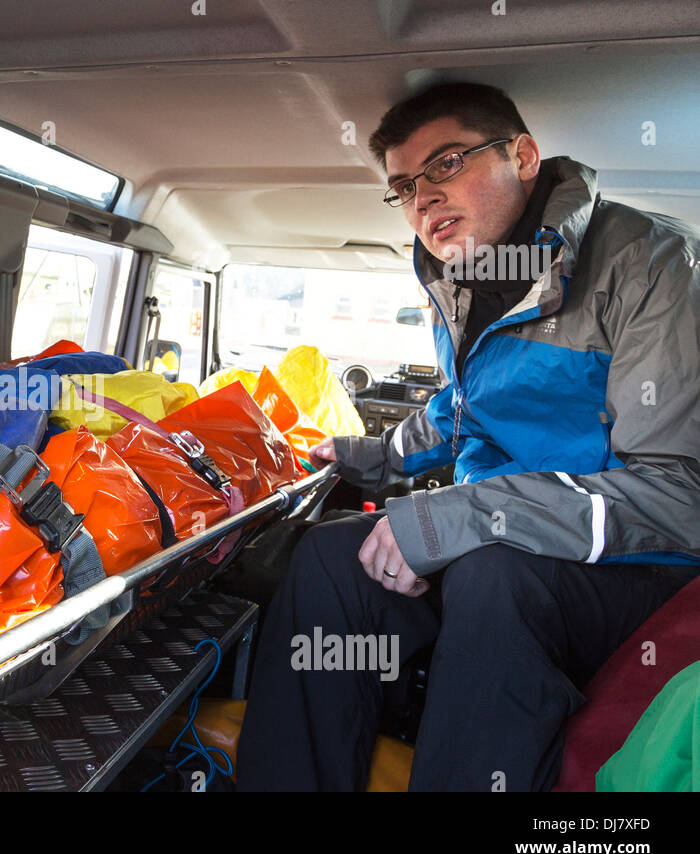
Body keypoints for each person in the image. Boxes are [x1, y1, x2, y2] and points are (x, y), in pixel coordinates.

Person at [237, 82, 700, 791]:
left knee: (496, 574)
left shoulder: (652, 263)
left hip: (632, 569)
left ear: (522, 155)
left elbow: (678, 498)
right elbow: (467, 408)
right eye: (402, 186)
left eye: (446, 164)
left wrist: (470, 515)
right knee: (334, 553)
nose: (422, 199)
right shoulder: (461, 283)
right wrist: (376, 457)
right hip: (497, 535)